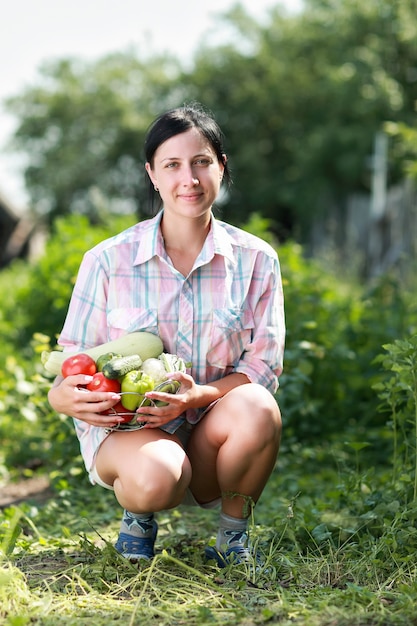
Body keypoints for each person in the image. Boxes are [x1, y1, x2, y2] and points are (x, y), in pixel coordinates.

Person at [48, 102, 285, 568]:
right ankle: (139, 517)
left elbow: (262, 367)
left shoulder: (257, 260)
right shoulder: (107, 260)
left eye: (201, 162)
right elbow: (74, 359)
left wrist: (198, 396)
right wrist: (62, 398)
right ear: (152, 174)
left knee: (260, 406)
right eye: (172, 165)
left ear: (221, 167)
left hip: (209, 430)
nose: (188, 179)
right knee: (156, 478)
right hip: (129, 430)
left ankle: (232, 539)